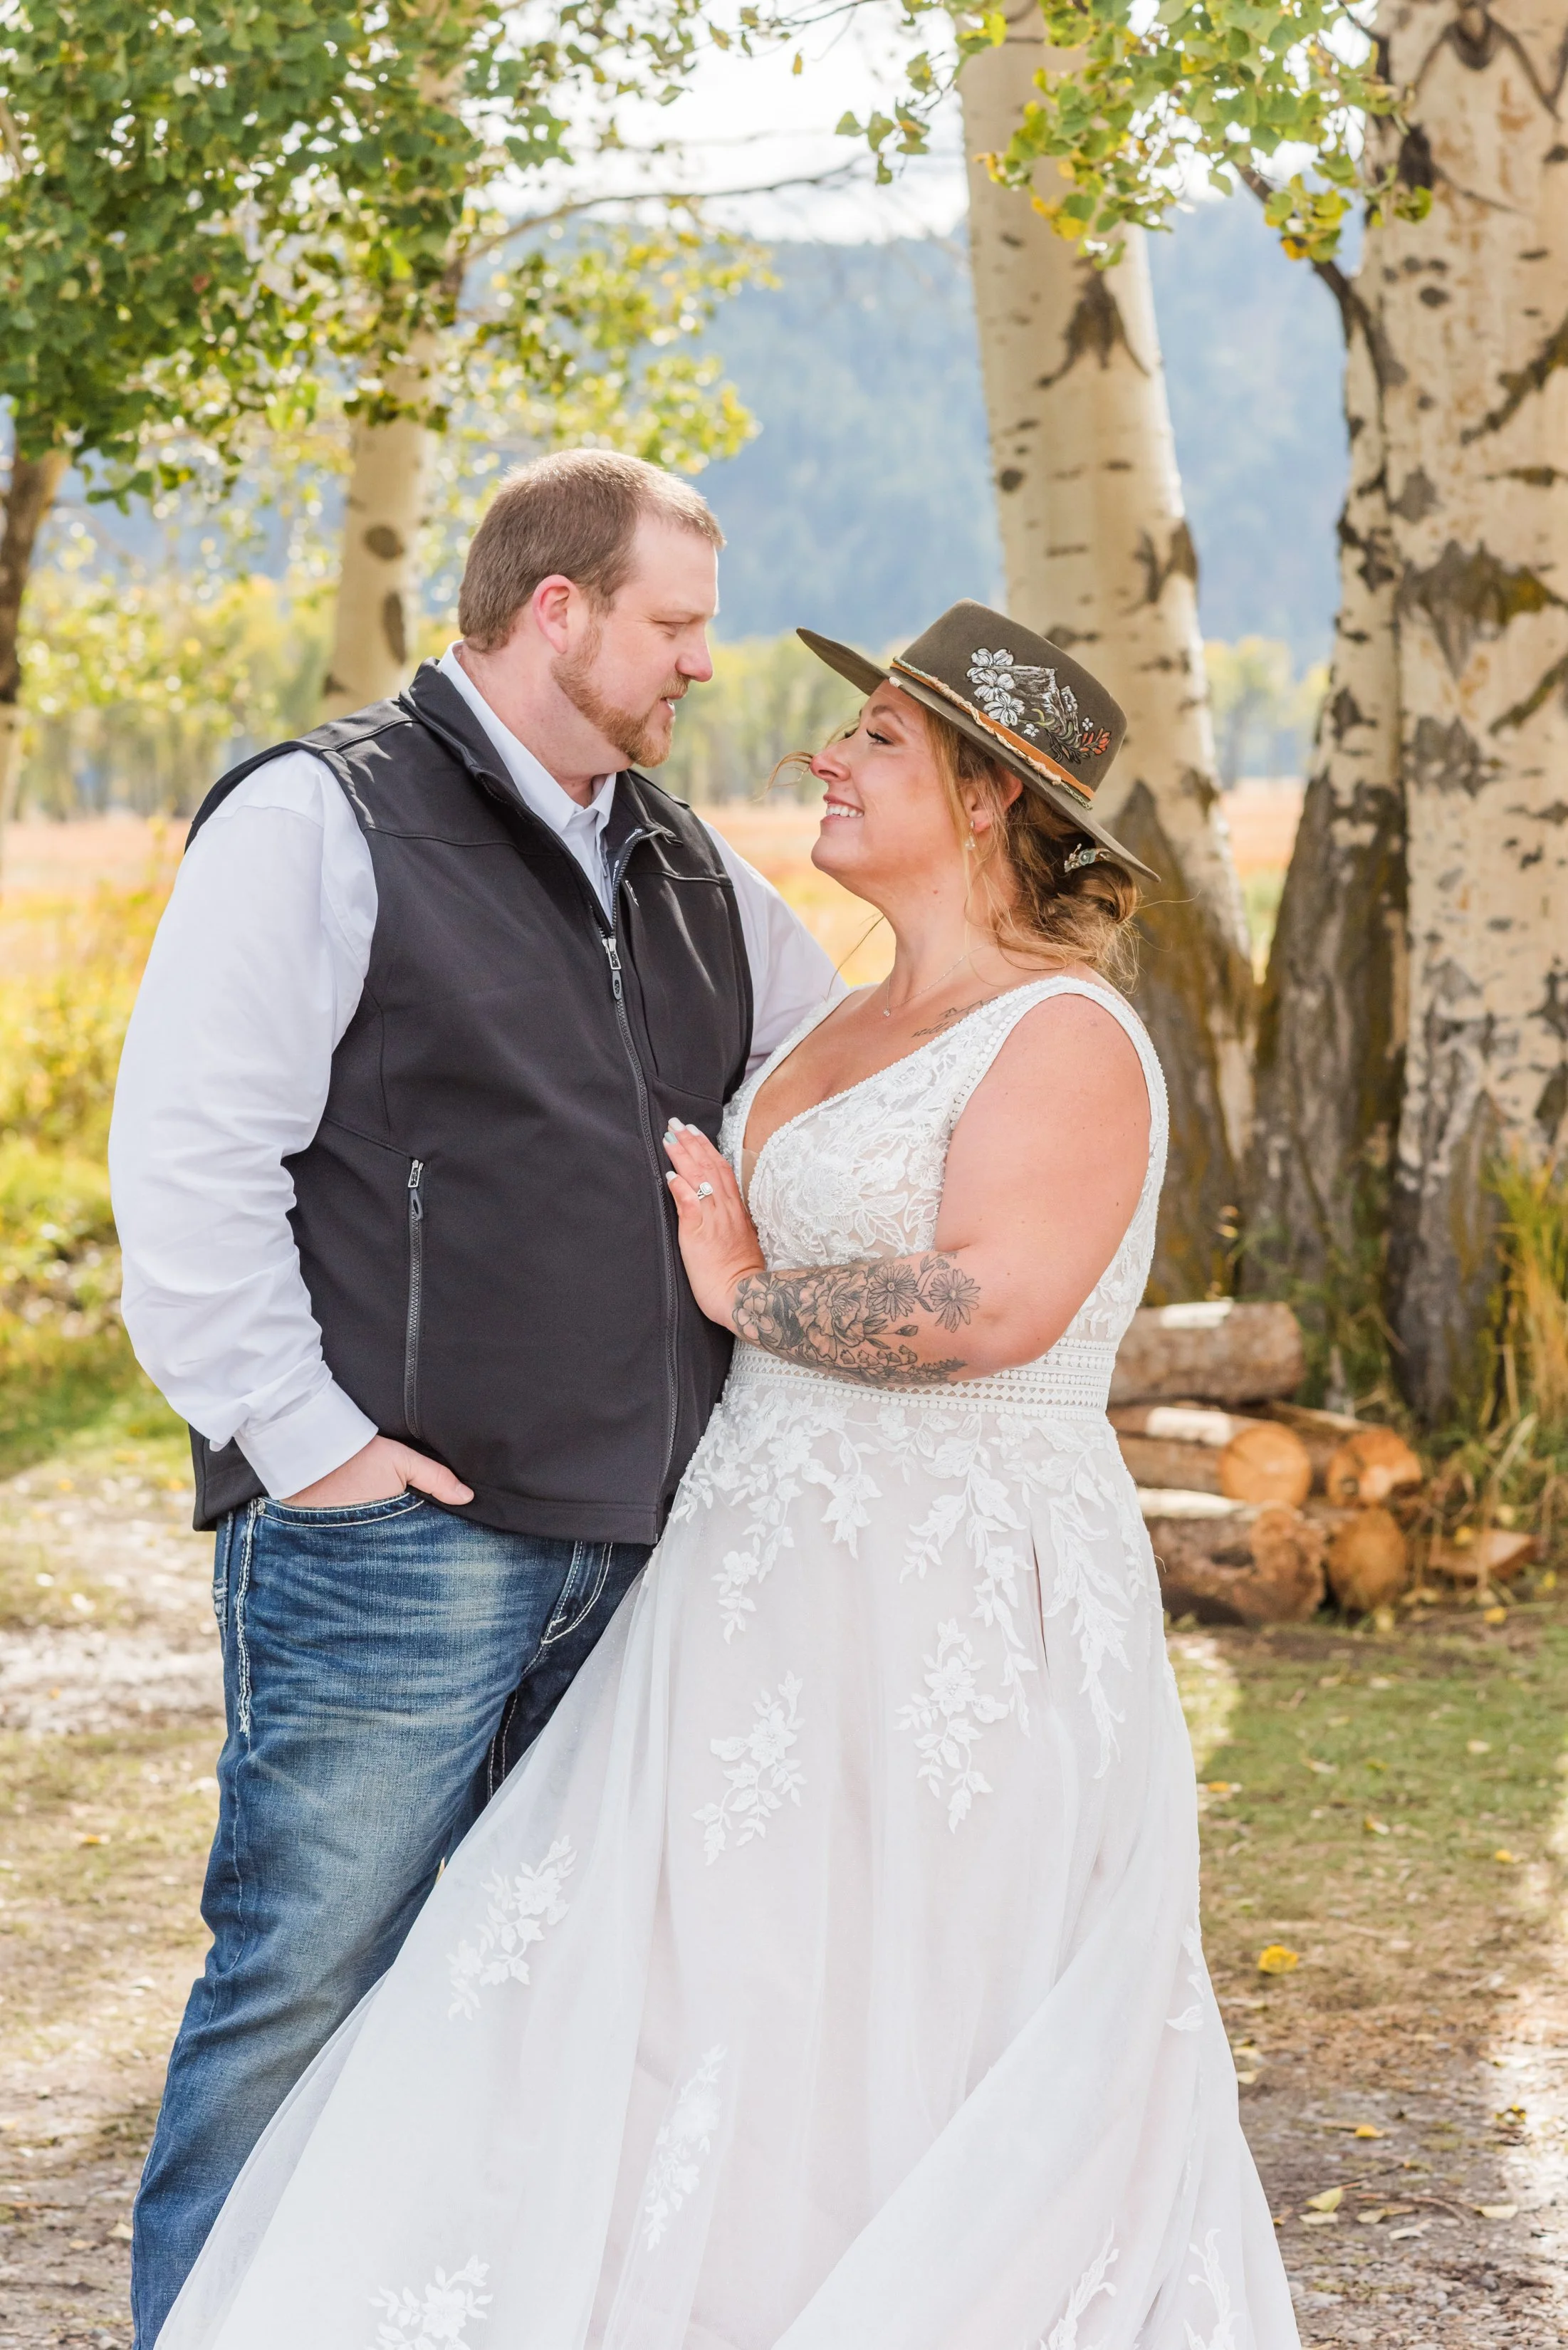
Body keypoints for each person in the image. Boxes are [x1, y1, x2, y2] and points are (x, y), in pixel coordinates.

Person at [152, 600, 1300, 2350]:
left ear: (989, 800)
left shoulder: (1068, 1034)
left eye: (879, 742)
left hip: (954, 1596)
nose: (822, 755)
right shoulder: (822, 1019)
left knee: (907, 1992)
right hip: (748, 1584)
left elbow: (993, 1303)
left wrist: (746, 1291)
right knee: (700, 1998)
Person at [107, 449, 842, 2350]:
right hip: (396, 1553)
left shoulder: (687, 866)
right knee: (305, 1984)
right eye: (674, 625)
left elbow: (832, 1086)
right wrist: (314, 1450)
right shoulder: (320, 816)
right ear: (558, 612)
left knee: (532, 2008)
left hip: (635, 1543)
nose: (701, 662)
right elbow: (193, 1161)